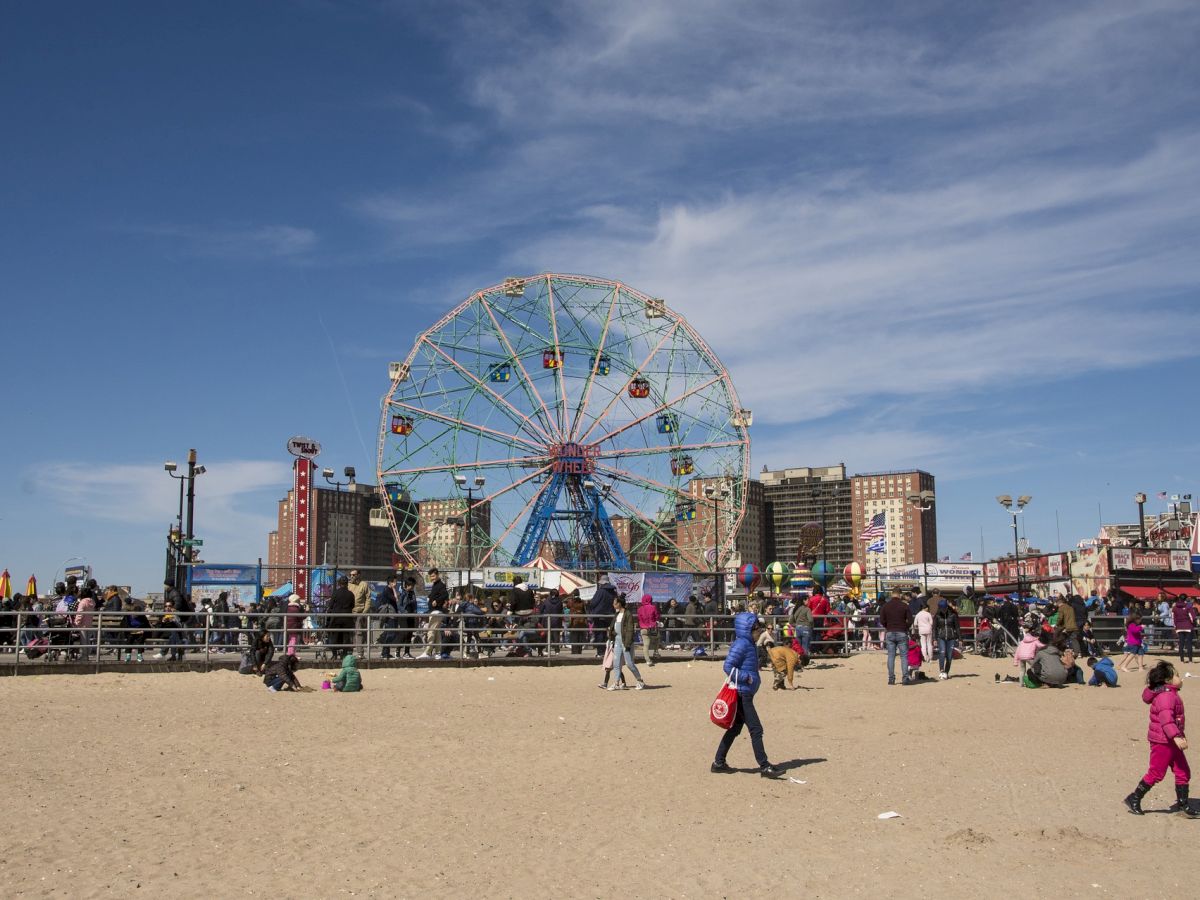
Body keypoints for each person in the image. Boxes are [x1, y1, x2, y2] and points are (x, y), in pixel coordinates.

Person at [1124, 661, 1198, 817]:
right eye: (1177, 675)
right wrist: (1176, 736)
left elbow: (1175, 720)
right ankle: (1134, 797)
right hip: (1162, 741)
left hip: (1171, 740)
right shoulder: (1166, 696)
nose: (1180, 678)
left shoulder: (1171, 694)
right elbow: (1166, 720)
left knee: (1183, 771)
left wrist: (1179, 736)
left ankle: (1183, 805)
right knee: (1156, 772)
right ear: (1167, 680)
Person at [711, 612, 780, 778]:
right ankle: (764, 766)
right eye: (758, 630)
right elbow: (728, 666)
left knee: (734, 729)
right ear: (749, 629)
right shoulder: (742, 644)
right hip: (742, 693)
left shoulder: (748, 643)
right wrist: (746, 677)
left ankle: (718, 762)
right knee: (756, 729)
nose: (760, 633)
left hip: (746, 692)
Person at [607, 595, 646, 690]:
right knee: (616, 663)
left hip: (626, 641)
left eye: (615, 603)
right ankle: (616, 682)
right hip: (617, 641)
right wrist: (611, 633)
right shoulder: (616, 614)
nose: (613, 604)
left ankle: (640, 680)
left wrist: (627, 644)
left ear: (619, 604)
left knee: (629, 664)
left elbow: (629, 630)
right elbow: (613, 627)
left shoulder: (628, 614)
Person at [879, 590, 913, 685]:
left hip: (890, 632)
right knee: (904, 656)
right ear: (900, 595)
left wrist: (887, 626)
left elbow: (882, 620)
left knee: (891, 656)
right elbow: (910, 620)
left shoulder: (886, 606)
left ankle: (891, 679)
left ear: (891, 594)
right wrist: (905, 627)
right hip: (902, 632)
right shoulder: (904, 605)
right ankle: (905, 678)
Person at [325, 576, 356, 661]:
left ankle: (334, 655)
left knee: (335, 636)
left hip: (336, 618)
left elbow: (330, 605)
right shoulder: (351, 594)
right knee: (346, 637)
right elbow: (353, 605)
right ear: (347, 584)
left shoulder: (335, 593)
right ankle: (344, 655)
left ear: (339, 584)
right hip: (347, 618)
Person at [589, 575, 617, 657]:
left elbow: (593, 603)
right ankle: (609, 651)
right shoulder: (613, 592)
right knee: (609, 635)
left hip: (599, 615)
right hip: (610, 615)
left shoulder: (600, 591)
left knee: (599, 634)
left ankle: (600, 652)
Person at [934, 598, 961, 680]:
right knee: (942, 653)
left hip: (951, 637)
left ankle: (946, 672)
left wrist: (960, 638)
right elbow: (934, 628)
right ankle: (941, 671)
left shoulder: (953, 615)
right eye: (941, 609)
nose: (943, 610)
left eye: (944, 608)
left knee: (949, 656)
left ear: (947, 607)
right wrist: (934, 639)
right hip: (941, 637)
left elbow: (957, 627)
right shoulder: (937, 615)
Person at [637, 593, 661, 666]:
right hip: (652, 628)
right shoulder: (653, 607)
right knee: (658, 638)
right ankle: (656, 652)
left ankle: (648, 660)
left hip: (643, 628)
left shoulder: (639, 609)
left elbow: (639, 618)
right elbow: (656, 616)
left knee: (646, 645)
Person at [398, 576, 417, 658]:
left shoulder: (413, 594)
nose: (412, 587)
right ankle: (397, 651)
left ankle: (406, 652)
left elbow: (415, 604)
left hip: (411, 616)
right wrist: (404, 612)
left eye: (413, 585)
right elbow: (399, 605)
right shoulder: (403, 593)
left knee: (409, 634)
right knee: (404, 634)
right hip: (404, 617)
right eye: (411, 585)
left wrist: (415, 612)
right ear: (407, 585)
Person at [1173, 595, 1196, 664]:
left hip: (1179, 627)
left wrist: (1175, 626)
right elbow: (1193, 617)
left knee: (1181, 643)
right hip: (1188, 626)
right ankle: (1190, 660)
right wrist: (1193, 624)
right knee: (1189, 644)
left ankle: (1182, 660)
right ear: (1186, 599)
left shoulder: (1174, 607)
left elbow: (1173, 618)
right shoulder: (1188, 606)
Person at [914, 602, 934, 673]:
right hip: (928, 629)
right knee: (929, 644)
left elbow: (915, 624)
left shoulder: (918, 614)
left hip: (921, 630)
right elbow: (931, 622)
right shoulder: (928, 614)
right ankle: (931, 658)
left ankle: (925, 658)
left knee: (923, 644)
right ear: (925, 608)